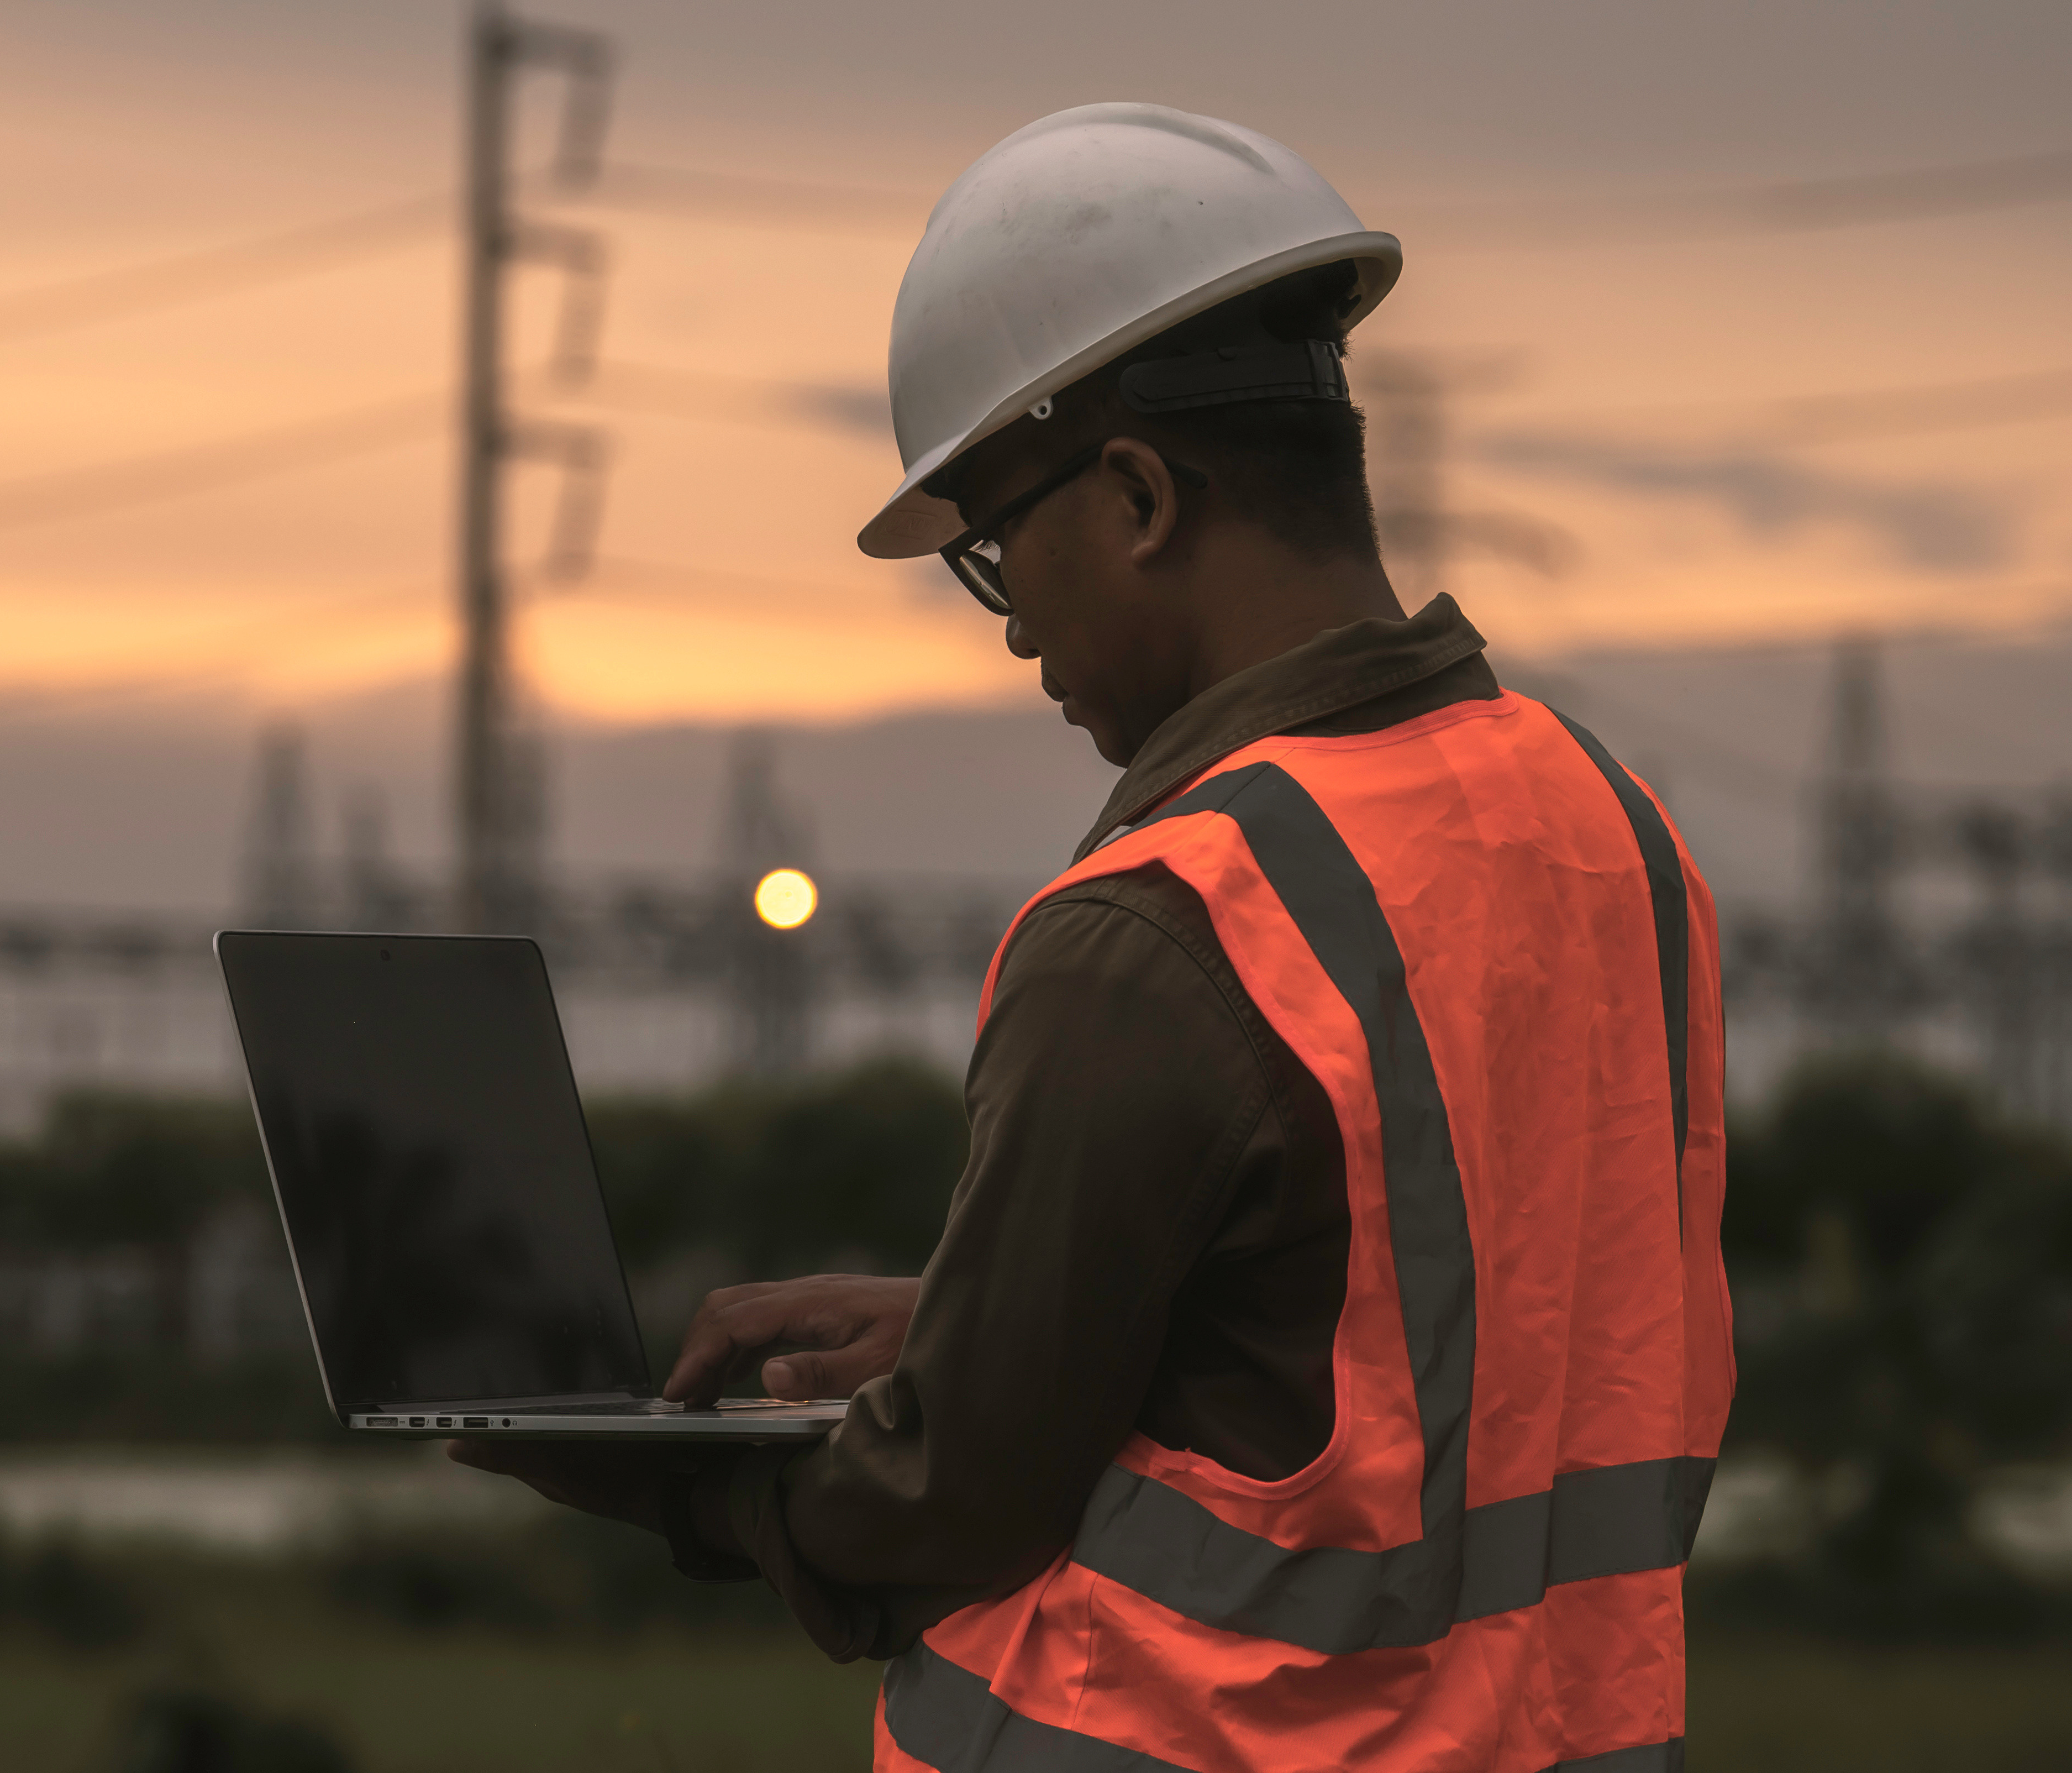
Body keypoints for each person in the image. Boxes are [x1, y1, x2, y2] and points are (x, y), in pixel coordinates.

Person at [454, 103, 1731, 1773]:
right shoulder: (1608, 835)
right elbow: (1446, 1341)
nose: (1013, 636)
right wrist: (980, 1316)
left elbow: (942, 1499)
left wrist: (662, 1471)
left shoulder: (1164, 926)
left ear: (1132, 496)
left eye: (994, 553)